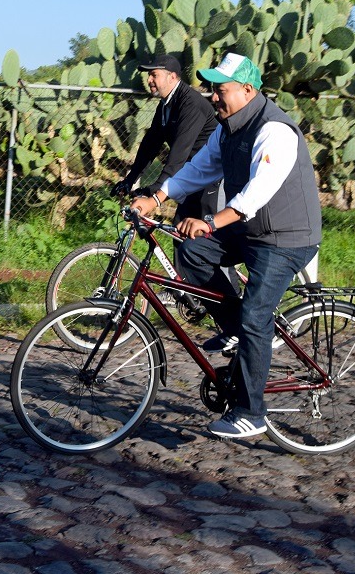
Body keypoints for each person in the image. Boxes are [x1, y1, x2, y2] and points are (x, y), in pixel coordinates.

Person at [130, 53, 321, 440]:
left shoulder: (275, 130)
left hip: (286, 237)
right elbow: (199, 169)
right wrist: (157, 197)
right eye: (212, 89)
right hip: (251, 230)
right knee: (192, 250)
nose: (214, 97)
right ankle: (238, 329)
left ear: (248, 90)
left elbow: (258, 190)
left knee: (255, 314)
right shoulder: (227, 127)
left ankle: (251, 413)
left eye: (222, 90)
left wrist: (212, 221)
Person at [112, 53, 220, 225]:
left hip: (210, 179)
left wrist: (155, 192)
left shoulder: (190, 103)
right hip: (192, 175)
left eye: (154, 75)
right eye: (149, 75)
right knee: (181, 231)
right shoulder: (166, 104)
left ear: (172, 77)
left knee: (202, 238)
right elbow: (150, 145)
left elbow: (179, 154)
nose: (149, 80)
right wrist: (129, 180)